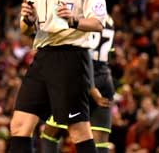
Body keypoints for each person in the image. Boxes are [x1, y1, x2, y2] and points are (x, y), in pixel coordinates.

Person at [9, 0, 107, 153]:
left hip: (72, 57)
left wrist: (74, 20)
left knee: (78, 130)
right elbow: (26, 30)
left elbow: (98, 23)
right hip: (42, 56)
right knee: (19, 125)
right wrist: (28, 21)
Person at [41, 15, 116, 153]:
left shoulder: (79, 17)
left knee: (49, 135)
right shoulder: (109, 20)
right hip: (105, 82)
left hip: (81, 81)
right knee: (100, 141)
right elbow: (107, 56)